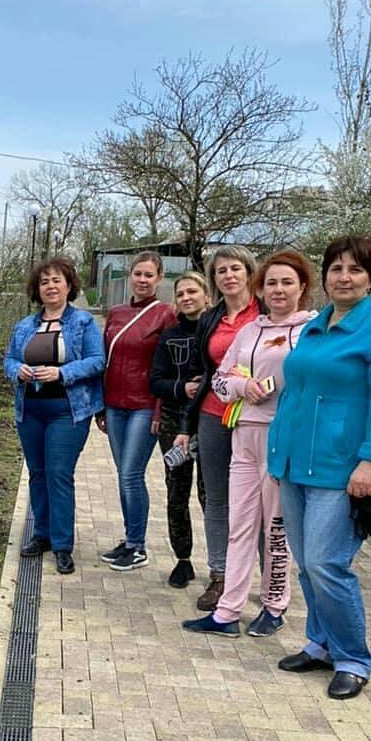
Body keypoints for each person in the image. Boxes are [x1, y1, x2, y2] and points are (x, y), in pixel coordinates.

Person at [268, 237, 371, 699]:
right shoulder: (317, 327)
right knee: (307, 567)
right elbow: (296, 392)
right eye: (336, 269)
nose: (344, 277)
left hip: (342, 468)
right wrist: (278, 451)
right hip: (294, 463)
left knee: (327, 563)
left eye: (355, 269)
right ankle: (321, 643)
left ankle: (354, 657)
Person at [182, 250, 316, 638]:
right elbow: (220, 381)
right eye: (272, 282)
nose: (278, 289)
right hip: (244, 435)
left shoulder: (311, 330)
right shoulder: (250, 330)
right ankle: (227, 612)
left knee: (275, 528)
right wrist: (244, 386)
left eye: (287, 282)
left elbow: (318, 382)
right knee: (240, 524)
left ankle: (274, 606)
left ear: (302, 287)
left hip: (283, 439)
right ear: (262, 286)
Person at [175, 246, 263, 609]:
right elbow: (203, 373)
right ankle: (219, 576)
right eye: (221, 271)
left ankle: (268, 578)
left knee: (263, 500)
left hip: (258, 417)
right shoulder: (211, 319)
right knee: (216, 498)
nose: (228, 276)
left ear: (249, 273)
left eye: (235, 269)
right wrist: (187, 423)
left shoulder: (268, 313)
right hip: (215, 414)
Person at [4, 257, 104, 575]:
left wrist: (62, 374)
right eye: (44, 281)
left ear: (69, 285)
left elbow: (97, 360)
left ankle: (62, 545)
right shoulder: (24, 326)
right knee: (37, 473)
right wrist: (15, 371)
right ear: (37, 289)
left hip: (67, 411)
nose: (50, 286)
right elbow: (8, 359)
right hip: (30, 411)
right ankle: (41, 535)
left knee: (59, 474)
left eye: (56, 280)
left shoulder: (83, 323)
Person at [97, 252, 176, 571]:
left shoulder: (165, 315)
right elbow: (105, 359)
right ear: (130, 276)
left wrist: (159, 411)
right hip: (115, 404)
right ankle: (130, 540)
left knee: (131, 474)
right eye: (138, 274)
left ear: (159, 279)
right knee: (123, 475)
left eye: (149, 275)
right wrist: (99, 407)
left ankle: (138, 545)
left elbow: (168, 365)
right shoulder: (116, 313)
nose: (142, 280)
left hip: (144, 405)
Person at [149, 271, 209, 588]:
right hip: (174, 422)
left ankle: (220, 566)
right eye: (181, 293)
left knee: (210, 496)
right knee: (177, 491)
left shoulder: (217, 330)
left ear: (206, 295)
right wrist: (181, 387)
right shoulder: (170, 335)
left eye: (192, 292)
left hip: (210, 422)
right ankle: (182, 559)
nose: (186, 298)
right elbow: (155, 380)